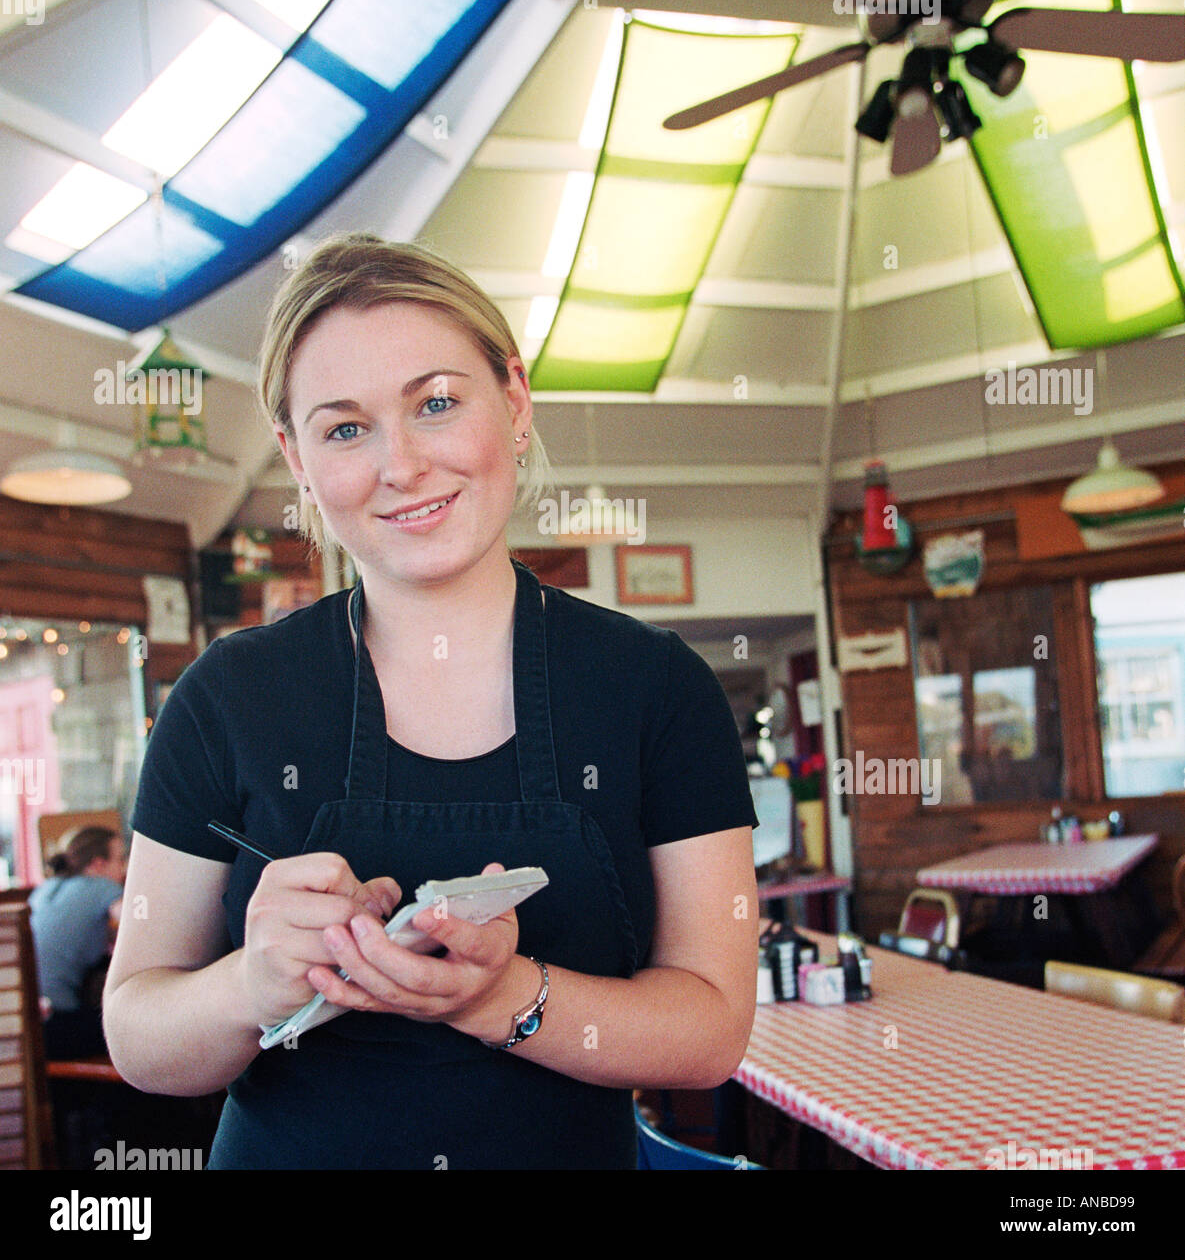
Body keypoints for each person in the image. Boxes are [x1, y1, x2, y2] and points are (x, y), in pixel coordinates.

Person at [104, 234, 759, 1169]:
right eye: (344, 428)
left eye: (437, 404)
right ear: (296, 459)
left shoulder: (657, 689)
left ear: (516, 401)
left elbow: (709, 1032)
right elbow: (137, 1034)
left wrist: (496, 1000)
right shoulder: (225, 697)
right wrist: (252, 984)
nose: (400, 465)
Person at [31, 826, 126, 1060]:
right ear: (97, 865)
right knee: (137, 1033)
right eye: (120, 859)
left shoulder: (45, 889)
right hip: (56, 1023)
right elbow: (140, 926)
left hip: (28, 1024)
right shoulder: (103, 887)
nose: (125, 868)